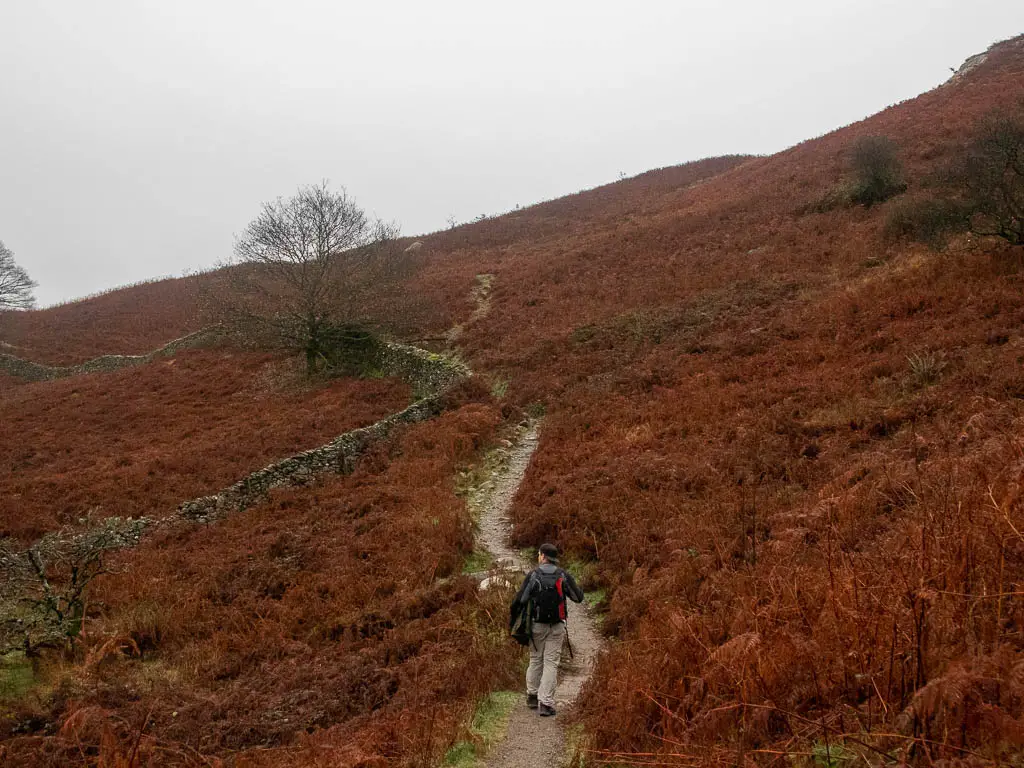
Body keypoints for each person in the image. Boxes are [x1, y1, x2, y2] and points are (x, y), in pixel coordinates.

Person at [511, 542, 584, 717]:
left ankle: (532, 696)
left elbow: (520, 600)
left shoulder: (534, 575)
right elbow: (578, 597)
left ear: (543, 556)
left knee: (536, 659)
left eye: (538, 554)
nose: (538, 557)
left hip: (537, 625)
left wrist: (514, 623)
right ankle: (546, 703)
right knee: (551, 663)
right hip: (557, 626)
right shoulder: (563, 575)